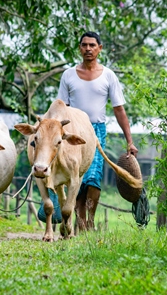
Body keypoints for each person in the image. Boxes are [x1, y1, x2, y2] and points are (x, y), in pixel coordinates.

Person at [57, 31, 138, 231]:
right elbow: (61, 107)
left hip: (96, 131)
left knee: (93, 178)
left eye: (92, 45)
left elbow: (119, 109)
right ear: (79, 48)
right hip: (72, 130)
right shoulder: (68, 75)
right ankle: (79, 222)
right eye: (84, 45)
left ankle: (89, 222)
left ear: (99, 49)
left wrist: (130, 141)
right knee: (76, 178)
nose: (88, 49)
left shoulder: (108, 76)